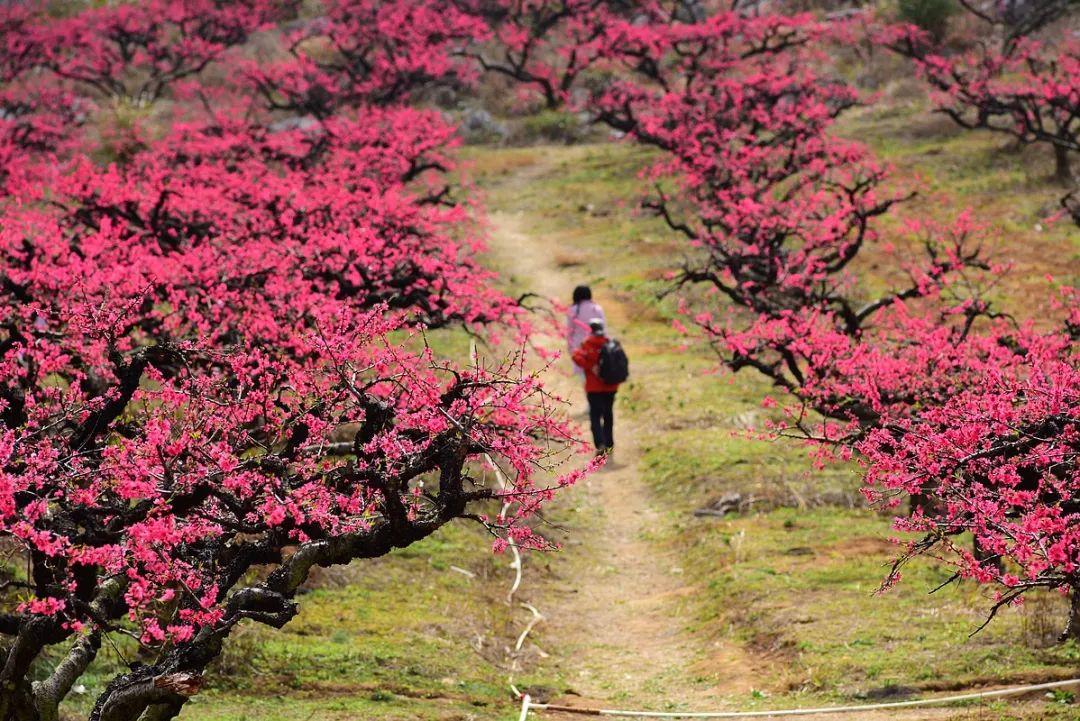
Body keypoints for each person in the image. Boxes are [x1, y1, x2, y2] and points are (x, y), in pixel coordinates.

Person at [572, 319, 620, 456]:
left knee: (595, 415)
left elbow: (575, 356)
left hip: (594, 388)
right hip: (610, 386)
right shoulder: (610, 343)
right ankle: (609, 443)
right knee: (608, 414)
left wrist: (589, 366)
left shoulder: (587, 344)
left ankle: (600, 444)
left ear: (591, 330)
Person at [566, 285, 605, 377]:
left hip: (579, 347)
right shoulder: (597, 308)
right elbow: (603, 329)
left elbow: (569, 331)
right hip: (596, 347)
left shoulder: (573, 309)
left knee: (582, 376)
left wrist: (570, 348)